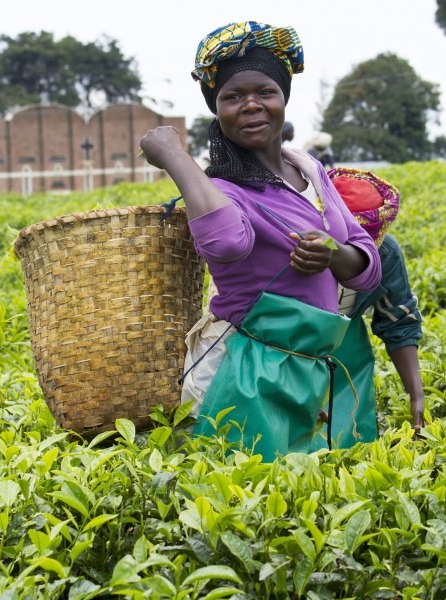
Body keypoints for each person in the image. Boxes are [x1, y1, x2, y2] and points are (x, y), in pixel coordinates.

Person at [139, 21, 382, 461]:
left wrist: (332, 254)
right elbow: (228, 244)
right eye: (232, 97)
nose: (251, 105)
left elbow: (367, 267)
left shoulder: (308, 169)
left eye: (264, 92)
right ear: (217, 110)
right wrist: (177, 157)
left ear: (283, 98)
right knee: (238, 503)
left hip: (303, 367)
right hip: (240, 368)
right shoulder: (222, 190)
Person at [310, 167, 425, 448]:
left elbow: (398, 321)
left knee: (347, 442)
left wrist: (416, 395)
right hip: (290, 343)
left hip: (347, 347)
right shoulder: (302, 247)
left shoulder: (386, 254)